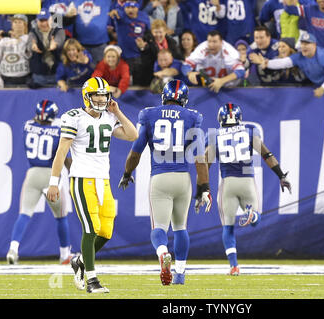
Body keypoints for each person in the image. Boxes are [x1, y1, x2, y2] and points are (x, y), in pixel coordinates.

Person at [46, 76, 138, 293]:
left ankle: (79, 261)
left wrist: (117, 112)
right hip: (81, 179)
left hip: (102, 180)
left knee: (106, 231)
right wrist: (53, 182)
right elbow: (62, 152)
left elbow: (132, 134)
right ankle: (92, 281)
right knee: (90, 228)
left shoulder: (108, 116)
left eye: (104, 95)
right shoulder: (73, 117)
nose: (100, 99)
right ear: (87, 96)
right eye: (97, 94)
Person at [118, 79, 212, 286]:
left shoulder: (149, 114)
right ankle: (180, 273)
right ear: (184, 99)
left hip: (160, 177)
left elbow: (136, 151)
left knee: (159, 227)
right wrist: (204, 187)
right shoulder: (193, 117)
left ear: (164, 96)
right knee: (180, 228)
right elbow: (199, 157)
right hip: (182, 179)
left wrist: (127, 173)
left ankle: (163, 254)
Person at [199, 103, 292, 275]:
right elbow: (267, 155)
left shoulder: (214, 135)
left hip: (227, 183)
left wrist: (201, 189)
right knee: (256, 220)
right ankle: (252, 214)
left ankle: (234, 266)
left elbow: (205, 164)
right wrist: (281, 175)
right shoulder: (249, 131)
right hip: (247, 181)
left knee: (228, 227)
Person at [6, 100, 73, 265]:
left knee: (24, 213)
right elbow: (65, 158)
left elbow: (36, 123)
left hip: (33, 173)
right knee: (61, 216)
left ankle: (13, 249)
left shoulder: (27, 125)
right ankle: (64, 254)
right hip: (52, 175)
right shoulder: (58, 132)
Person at [253, 32, 324, 97]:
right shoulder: (299, 57)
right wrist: (266, 63)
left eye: (307, 44)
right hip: (321, 79)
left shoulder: (322, 55)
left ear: (315, 45)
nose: (304, 46)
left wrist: (323, 88)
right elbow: (283, 63)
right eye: (302, 44)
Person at [110, 0, 151, 86]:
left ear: (138, 7)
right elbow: (116, 13)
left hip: (139, 57)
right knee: (122, 85)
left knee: (138, 85)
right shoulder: (121, 16)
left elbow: (148, 34)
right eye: (128, 7)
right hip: (123, 57)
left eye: (133, 7)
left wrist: (144, 44)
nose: (130, 10)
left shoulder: (144, 17)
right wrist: (114, 12)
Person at [27, 8, 66, 88]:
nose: (44, 23)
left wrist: (55, 44)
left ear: (51, 19)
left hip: (57, 74)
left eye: (46, 20)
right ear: (37, 21)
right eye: (41, 21)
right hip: (39, 76)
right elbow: (30, 41)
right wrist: (33, 46)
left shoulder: (59, 30)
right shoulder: (33, 32)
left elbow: (60, 40)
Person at [0, 14, 31, 86]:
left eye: (20, 22)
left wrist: (19, 40)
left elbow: (29, 55)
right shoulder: (4, 40)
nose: (17, 24)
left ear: (25, 25)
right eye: (15, 22)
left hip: (24, 78)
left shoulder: (29, 38)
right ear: (12, 25)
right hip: (6, 78)